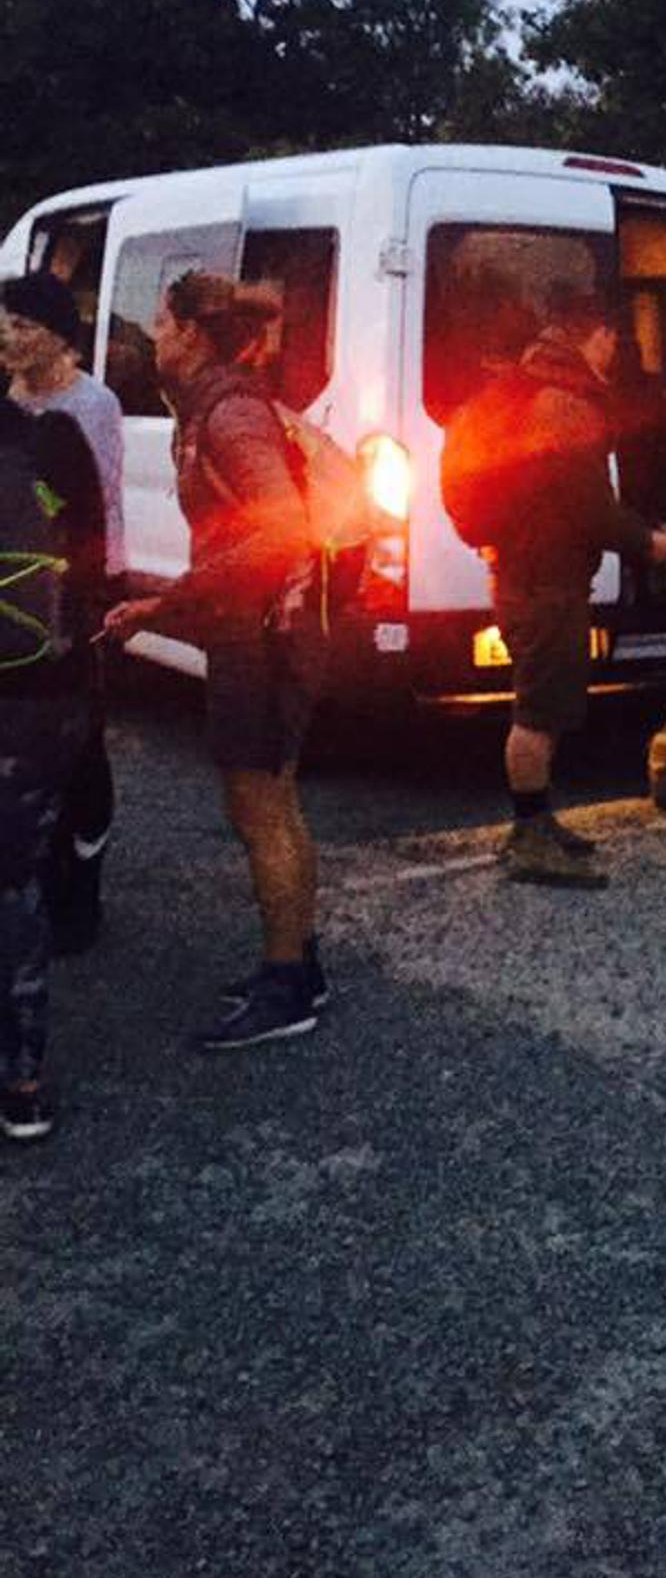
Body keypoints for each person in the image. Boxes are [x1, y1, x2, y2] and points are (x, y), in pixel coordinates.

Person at [102, 272, 329, 1049]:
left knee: (259, 809)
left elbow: (282, 532)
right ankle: (299, 963)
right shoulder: (216, 404)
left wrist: (168, 603)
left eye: (160, 322)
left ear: (192, 333)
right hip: (267, 629)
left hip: (261, 635)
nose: (150, 336)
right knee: (278, 803)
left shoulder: (228, 413)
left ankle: (284, 986)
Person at [441, 287, 666, 889]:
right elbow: (589, 506)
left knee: (543, 703)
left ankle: (538, 823)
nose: (613, 354)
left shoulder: (518, 390)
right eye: (611, 341)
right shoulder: (563, 402)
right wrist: (648, 542)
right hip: (545, 580)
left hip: (523, 572)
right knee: (538, 710)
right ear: (592, 335)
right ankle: (527, 837)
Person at [2, 270, 125, 954]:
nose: (12, 338)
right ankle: (40, 869)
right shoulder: (11, 398)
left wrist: (93, 593)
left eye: (24, 325)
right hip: (19, 591)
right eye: (7, 325)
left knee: (84, 743)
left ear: (57, 334)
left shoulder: (92, 403)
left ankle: (84, 880)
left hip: (79, 585)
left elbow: (99, 505)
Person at [0, 391, 104, 1140]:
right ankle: (23, 1082)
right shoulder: (58, 441)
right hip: (47, 701)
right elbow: (93, 570)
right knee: (18, 882)